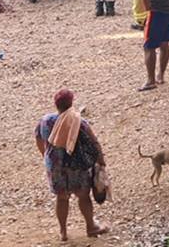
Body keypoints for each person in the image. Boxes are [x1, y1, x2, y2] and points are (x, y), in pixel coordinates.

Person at [34, 89, 108, 242]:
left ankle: (63, 232)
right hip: (76, 165)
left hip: (54, 165)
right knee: (83, 196)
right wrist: (101, 162)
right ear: (71, 103)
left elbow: (38, 138)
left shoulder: (45, 120)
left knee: (62, 198)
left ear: (56, 104)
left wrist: (46, 157)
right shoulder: (78, 121)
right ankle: (91, 227)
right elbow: (94, 142)